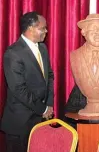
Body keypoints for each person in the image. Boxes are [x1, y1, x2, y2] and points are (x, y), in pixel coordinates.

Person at [1, 12, 54, 152]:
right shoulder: (13, 53)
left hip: (41, 119)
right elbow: (19, 89)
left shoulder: (43, 48)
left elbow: (49, 76)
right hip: (20, 123)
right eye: (43, 28)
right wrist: (43, 109)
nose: (46, 31)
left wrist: (48, 104)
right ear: (31, 28)